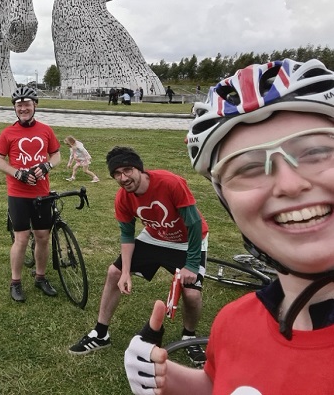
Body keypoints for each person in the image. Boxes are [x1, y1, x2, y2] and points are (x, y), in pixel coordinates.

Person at [124, 58, 334, 395]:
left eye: (316, 151)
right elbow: (220, 384)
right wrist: (169, 380)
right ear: (227, 202)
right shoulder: (234, 322)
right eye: (249, 168)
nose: (289, 184)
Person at [69, 146, 209, 367]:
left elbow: (193, 223)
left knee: (192, 295)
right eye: (117, 174)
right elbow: (127, 236)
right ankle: (100, 333)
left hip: (187, 241)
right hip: (154, 237)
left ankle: (189, 337)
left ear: (140, 169)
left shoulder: (170, 182)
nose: (123, 178)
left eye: (127, 170)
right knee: (114, 272)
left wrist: (191, 264)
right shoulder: (122, 198)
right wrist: (125, 272)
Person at [0, 86, 62, 302]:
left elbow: (56, 154)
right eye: (19, 105)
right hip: (18, 193)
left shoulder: (45, 130)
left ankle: (40, 277)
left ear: (35, 106)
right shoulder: (8, 133)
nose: (23, 108)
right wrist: (18, 173)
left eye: (27, 104)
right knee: (21, 239)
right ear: (15, 108)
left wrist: (47, 166)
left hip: (41, 192)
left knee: (42, 237)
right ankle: (15, 282)